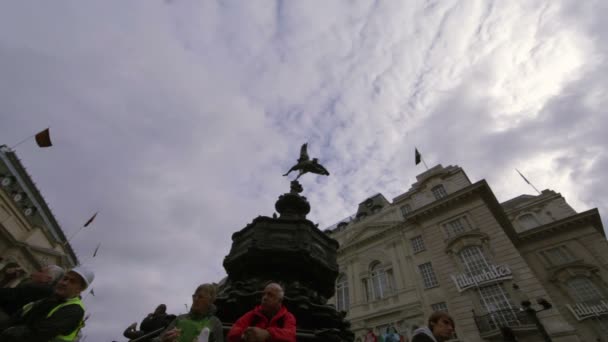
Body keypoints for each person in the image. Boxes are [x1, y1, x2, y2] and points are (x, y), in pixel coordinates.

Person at [0, 265, 94, 342]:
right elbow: (18, 316)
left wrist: (6, 332)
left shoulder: (74, 310)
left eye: (72, 282)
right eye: (65, 278)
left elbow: (36, 334)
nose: (64, 283)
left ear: (80, 289)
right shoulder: (49, 299)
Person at [227, 282, 296, 342]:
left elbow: (290, 336)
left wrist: (267, 334)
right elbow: (232, 332)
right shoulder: (252, 314)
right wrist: (246, 334)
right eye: (264, 294)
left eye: (270, 295)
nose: (265, 298)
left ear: (280, 301)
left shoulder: (288, 317)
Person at [156, 284, 223, 342]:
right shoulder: (180, 318)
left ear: (210, 301)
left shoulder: (215, 322)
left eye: (200, 297)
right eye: (194, 296)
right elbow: (159, 339)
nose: (195, 299)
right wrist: (163, 340)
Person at [0, 265, 65, 317]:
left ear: (48, 278)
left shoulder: (36, 289)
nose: (33, 273)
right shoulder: (48, 293)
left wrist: (7, 277)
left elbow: (7, 296)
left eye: (40, 271)